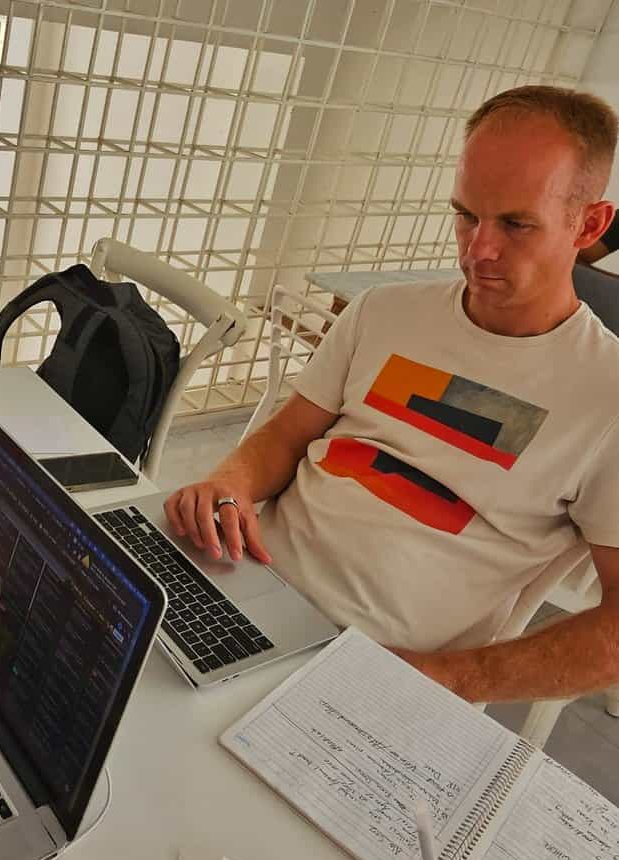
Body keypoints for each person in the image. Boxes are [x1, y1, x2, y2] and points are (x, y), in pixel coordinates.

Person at [164, 85, 619, 706]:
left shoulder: (606, 397)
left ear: (589, 224)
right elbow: (291, 431)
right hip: (241, 579)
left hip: (376, 666)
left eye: (516, 224)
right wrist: (233, 479)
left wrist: (446, 679)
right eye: (466, 214)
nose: (477, 250)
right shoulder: (384, 311)